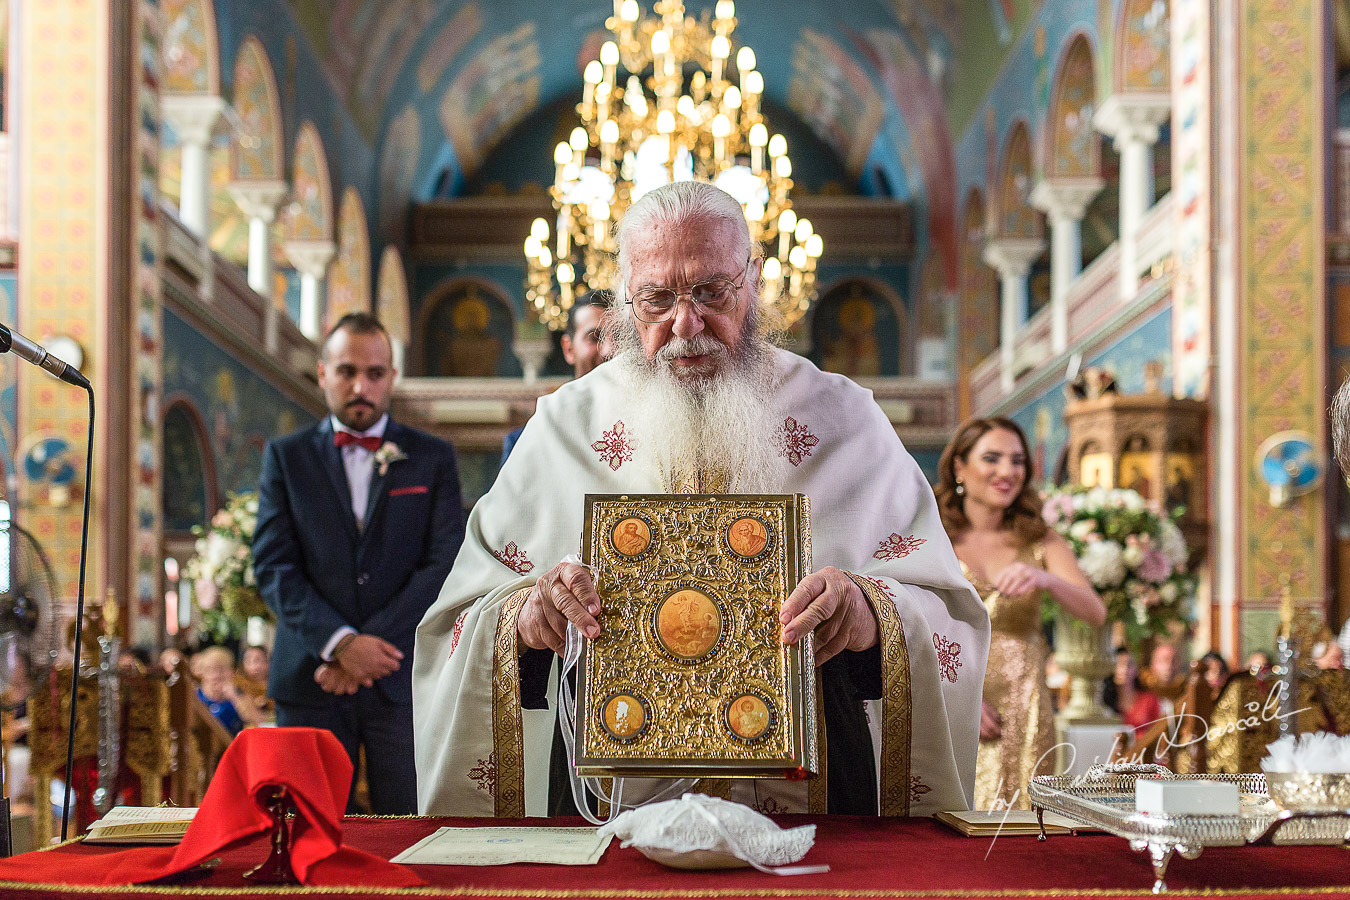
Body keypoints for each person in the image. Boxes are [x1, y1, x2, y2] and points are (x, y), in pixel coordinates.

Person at [414, 181, 989, 818]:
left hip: (813, 795)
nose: (686, 326)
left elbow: (946, 610)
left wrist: (867, 614)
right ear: (625, 297)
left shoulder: (843, 419)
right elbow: (460, 619)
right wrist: (526, 617)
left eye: (712, 292)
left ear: (756, 280)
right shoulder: (566, 427)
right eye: (658, 298)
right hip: (610, 800)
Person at [254, 312, 466, 814]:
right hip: (311, 677)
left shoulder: (432, 458)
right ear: (323, 372)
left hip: (402, 679)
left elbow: (445, 564)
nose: (360, 386)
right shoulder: (286, 457)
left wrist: (372, 649)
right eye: (346, 371)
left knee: (408, 830)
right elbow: (273, 564)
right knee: (306, 833)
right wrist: (341, 644)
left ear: (391, 378)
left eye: (374, 374)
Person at [935, 416, 1105, 810]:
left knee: (1023, 831)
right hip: (947, 697)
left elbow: (1095, 612)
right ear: (959, 466)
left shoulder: (1039, 537)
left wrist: (1046, 579)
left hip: (1023, 706)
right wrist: (957, 696)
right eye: (991, 458)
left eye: (1017, 461)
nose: (1007, 471)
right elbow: (907, 622)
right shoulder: (932, 534)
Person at [501, 292, 614, 464]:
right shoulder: (527, 442)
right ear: (569, 349)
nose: (609, 350)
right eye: (594, 338)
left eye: (620, 337)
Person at [191, 646, 261, 736]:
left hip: (233, 746)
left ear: (231, 671)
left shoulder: (241, 695)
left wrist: (234, 697)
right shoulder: (196, 696)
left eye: (221, 669)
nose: (216, 676)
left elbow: (259, 722)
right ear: (202, 673)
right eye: (209, 670)